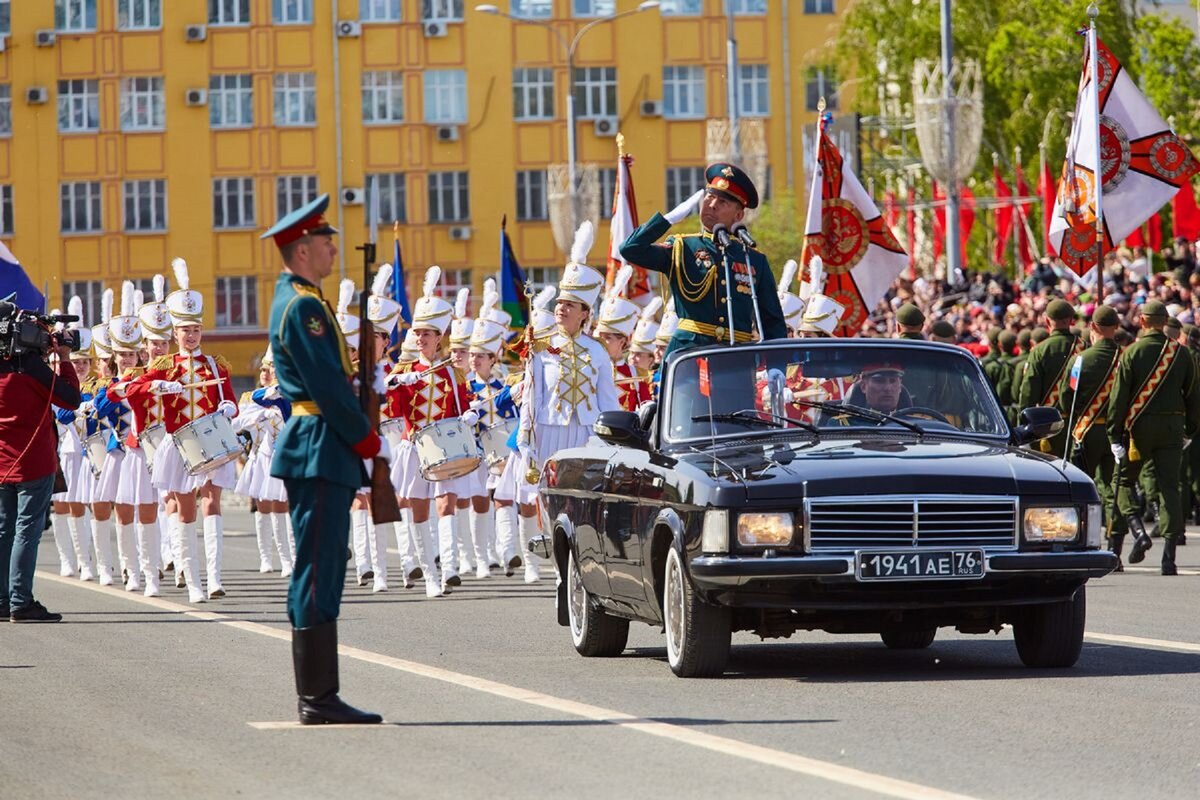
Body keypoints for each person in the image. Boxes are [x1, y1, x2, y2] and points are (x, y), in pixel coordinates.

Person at [263, 192, 385, 725]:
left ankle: (323, 693)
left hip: (321, 443)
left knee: (328, 562)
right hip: (319, 443)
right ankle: (316, 697)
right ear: (302, 249)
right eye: (325, 243)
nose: (334, 250)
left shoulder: (304, 298)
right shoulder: (303, 306)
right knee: (317, 567)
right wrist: (366, 438)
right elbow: (326, 386)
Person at [127, 259, 238, 602]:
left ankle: (215, 577)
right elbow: (132, 391)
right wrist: (157, 389)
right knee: (186, 509)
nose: (190, 336)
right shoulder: (165, 366)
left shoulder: (214, 365)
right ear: (174, 334)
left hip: (210, 440)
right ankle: (192, 582)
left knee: (212, 503)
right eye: (184, 331)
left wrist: (228, 408)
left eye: (195, 330)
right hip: (180, 444)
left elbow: (230, 399)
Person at [619, 162, 788, 354]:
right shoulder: (682, 247)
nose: (712, 205)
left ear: (738, 215)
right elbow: (630, 249)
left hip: (738, 358)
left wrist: (777, 366)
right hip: (689, 356)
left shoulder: (753, 259)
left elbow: (772, 321)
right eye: (710, 196)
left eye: (723, 202)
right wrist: (667, 220)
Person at [0, 301, 82, 622]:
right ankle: (21, 600)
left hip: (3, 463)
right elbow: (70, 398)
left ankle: (3, 599)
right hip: (33, 460)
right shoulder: (30, 367)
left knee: (4, 530)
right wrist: (63, 357)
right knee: (25, 531)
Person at [1107, 300, 1200, 575]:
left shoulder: (1132, 352)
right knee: (1169, 487)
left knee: (1122, 481)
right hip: (1173, 427)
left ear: (1144, 322)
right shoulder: (1182, 354)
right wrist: (1189, 430)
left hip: (1138, 430)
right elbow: (1194, 395)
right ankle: (1169, 559)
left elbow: (1118, 399)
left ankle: (1133, 534)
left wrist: (1114, 434)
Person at [1057, 305, 1124, 568]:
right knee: (1113, 488)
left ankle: (1084, 544)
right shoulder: (1124, 357)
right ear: (1115, 327)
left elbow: (1066, 398)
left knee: (1084, 489)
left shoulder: (1080, 359)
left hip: (1087, 429)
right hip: (1115, 432)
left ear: (1093, 328)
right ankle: (1115, 548)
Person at [1017, 299, 1083, 457]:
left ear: (1047, 321)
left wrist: (1023, 425)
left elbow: (1029, 392)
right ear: (1071, 320)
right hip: (1079, 423)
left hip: (1047, 425)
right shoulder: (1084, 347)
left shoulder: (1040, 350)